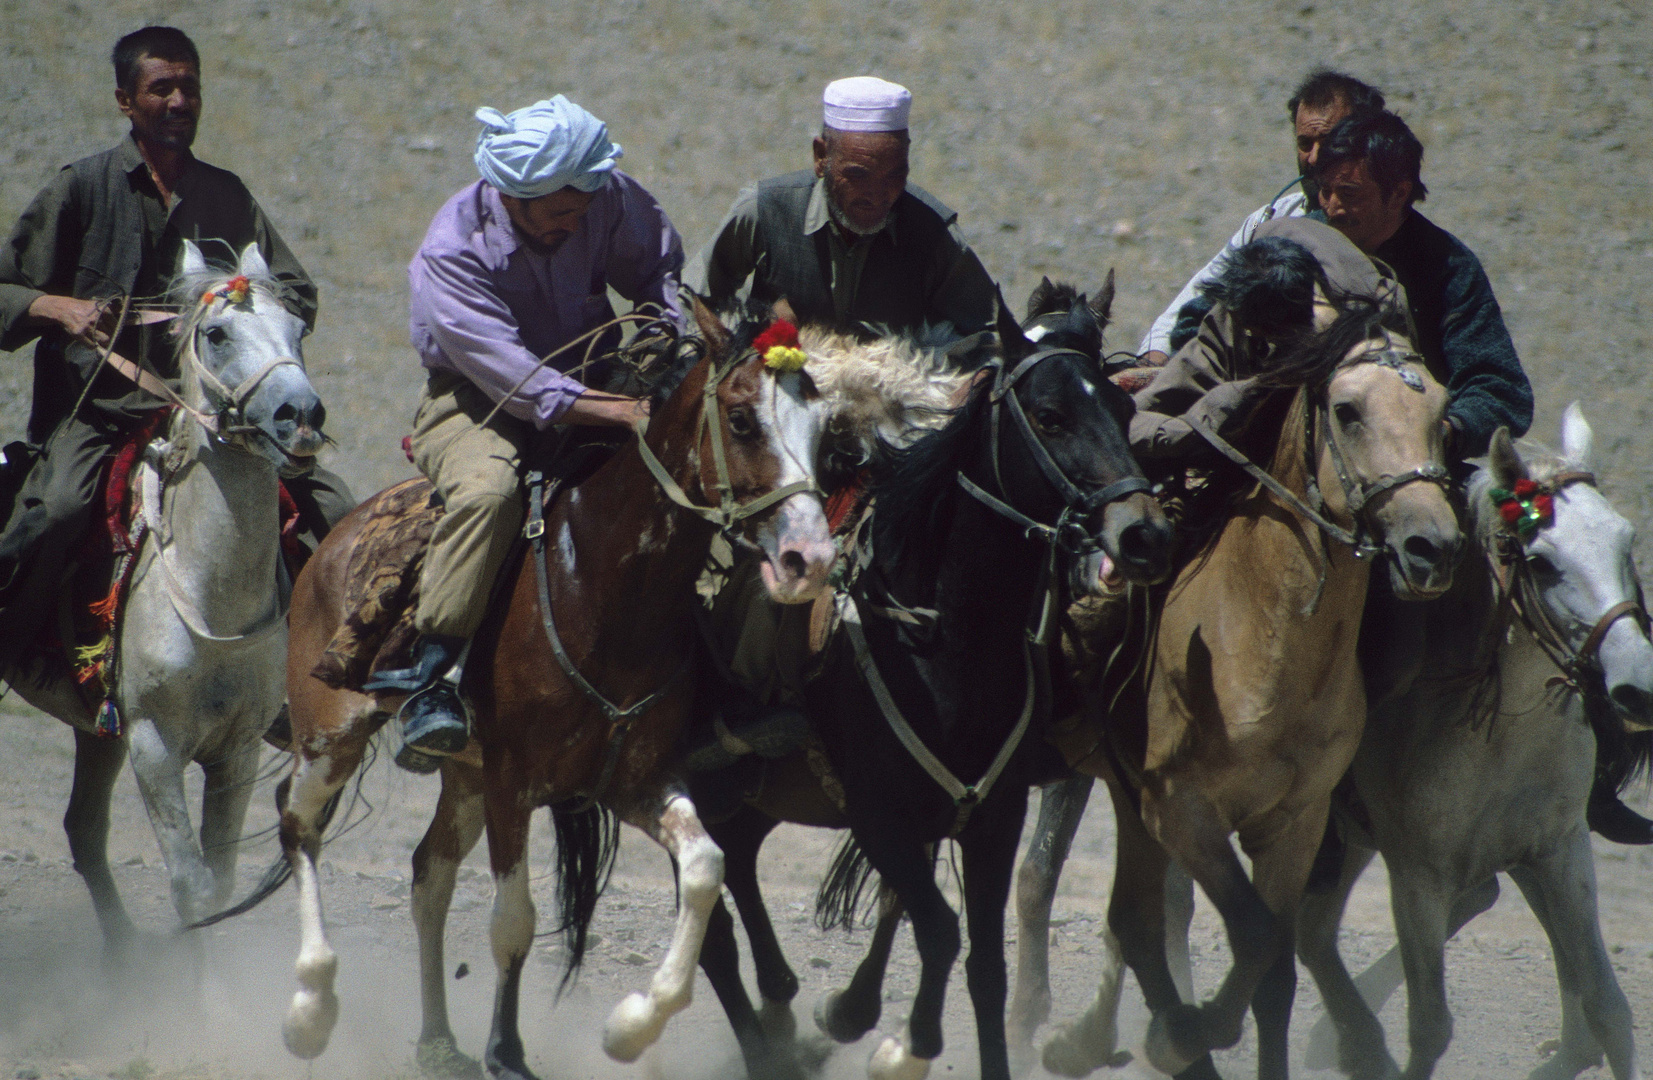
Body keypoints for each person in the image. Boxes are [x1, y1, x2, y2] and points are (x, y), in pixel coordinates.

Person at [0, 25, 353, 674]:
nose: (179, 100)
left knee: (332, 505)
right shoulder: (81, 188)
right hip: (98, 413)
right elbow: (4, 288)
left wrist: (242, 300)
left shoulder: (226, 194)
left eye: (189, 86)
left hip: (216, 412)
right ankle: (18, 654)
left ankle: (318, 678)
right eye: (160, 87)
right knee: (56, 513)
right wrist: (59, 307)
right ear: (124, 101)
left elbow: (296, 291)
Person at [364, 94, 685, 769]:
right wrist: (622, 413)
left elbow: (656, 268)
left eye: (580, 210)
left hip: (601, 375)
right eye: (556, 213)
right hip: (477, 398)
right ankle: (434, 676)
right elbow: (514, 378)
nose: (572, 223)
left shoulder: (603, 197)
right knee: (486, 492)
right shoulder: (451, 248)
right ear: (511, 194)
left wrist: (663, 332)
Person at [691, 76, 996, 337]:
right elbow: (692, 297)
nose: (877, 195)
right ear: (821, 157)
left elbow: (988, 334)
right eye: (857, 175)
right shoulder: (765, 211)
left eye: (894, 175)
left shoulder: (932, 232)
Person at [1313, 109, 1531, 460]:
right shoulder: (1295, 244)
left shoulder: (1448, 268)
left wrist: (1443, 432)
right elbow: (1205, 320)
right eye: (1325, 191)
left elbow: (1499, 389)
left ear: (1398, 193)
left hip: (1409, 465)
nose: (1332, 207)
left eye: (1350, 193)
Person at [1137, 69, 1386, 365]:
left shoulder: (1385, 225)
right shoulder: (1269, 218)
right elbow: (1196, 299)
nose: (1315, 158)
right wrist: (1155, 363)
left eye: (1329, 141)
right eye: (1305, 144)